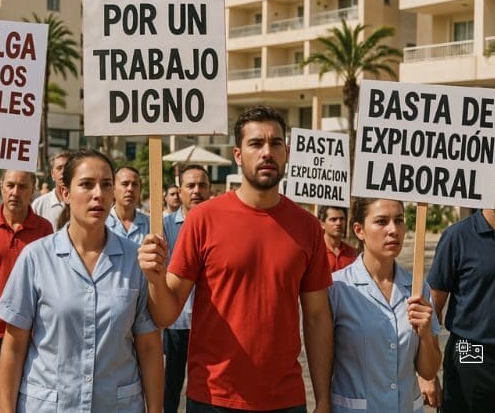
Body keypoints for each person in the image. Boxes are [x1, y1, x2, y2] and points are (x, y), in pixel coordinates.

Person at [139, 106, 333, 412]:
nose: (267, 152)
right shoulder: (203, 219)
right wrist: (154, 278)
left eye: (275, 143)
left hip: (285, 400)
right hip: (213, 398)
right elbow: (166, 313)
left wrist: (323, 397)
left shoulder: (307, 227)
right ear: (238, 154)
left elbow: (317, 317)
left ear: (287, 153)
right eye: (256, 144)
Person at [0, 149, 163, 412]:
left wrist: (155, 409)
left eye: (106, 185)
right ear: (65, 193)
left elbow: (149, 346)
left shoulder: (135, 260)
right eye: (86, 184)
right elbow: (14, 347)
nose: (98, 194)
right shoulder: (36, 258)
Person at [421, 151, 495, 412]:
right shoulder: (458, 237)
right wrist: (426, 373)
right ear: (483, 184)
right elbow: (432, 309)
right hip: (471, 357)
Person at [328, 198, 441, 412]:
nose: (393, 230)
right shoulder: (337, 289)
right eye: (381, 221)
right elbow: (322, 362)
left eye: (399, 220)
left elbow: (428, 371)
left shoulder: (417, 288)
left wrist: (425, 334)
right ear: (359, 230)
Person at [0, 170, 52, 413]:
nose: (15, 192)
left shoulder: (44, 229)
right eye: (10, 185)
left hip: (26, 335)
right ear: (1, 187)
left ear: (32, 190)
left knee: (18, 403)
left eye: (22, 186)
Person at [162, 164, 211, 413]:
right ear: (179, 191)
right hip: (175, 323)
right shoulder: (162, 227)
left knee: (206, 391)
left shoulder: (218, 224)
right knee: (169, 388)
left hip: (210, 325)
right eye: (190, 185)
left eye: (202, 185)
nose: (196, 191)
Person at [106, 166, 150, 243]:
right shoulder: (101, 223)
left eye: (135, 184)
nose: (130, 189)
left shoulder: (149, 224)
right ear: (113, 189)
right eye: (125, 184)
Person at [31, 152, 70, 229]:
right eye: (59, 168)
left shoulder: (81, 202)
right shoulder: (39, 205)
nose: (63, 172)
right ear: (52, 174)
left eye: (67, 168)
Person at [319, 206, 358, 272]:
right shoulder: (314, 252)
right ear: (322, 224)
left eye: (342, 219)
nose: (338, 223)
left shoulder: (353, 253)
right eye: (333, 219)